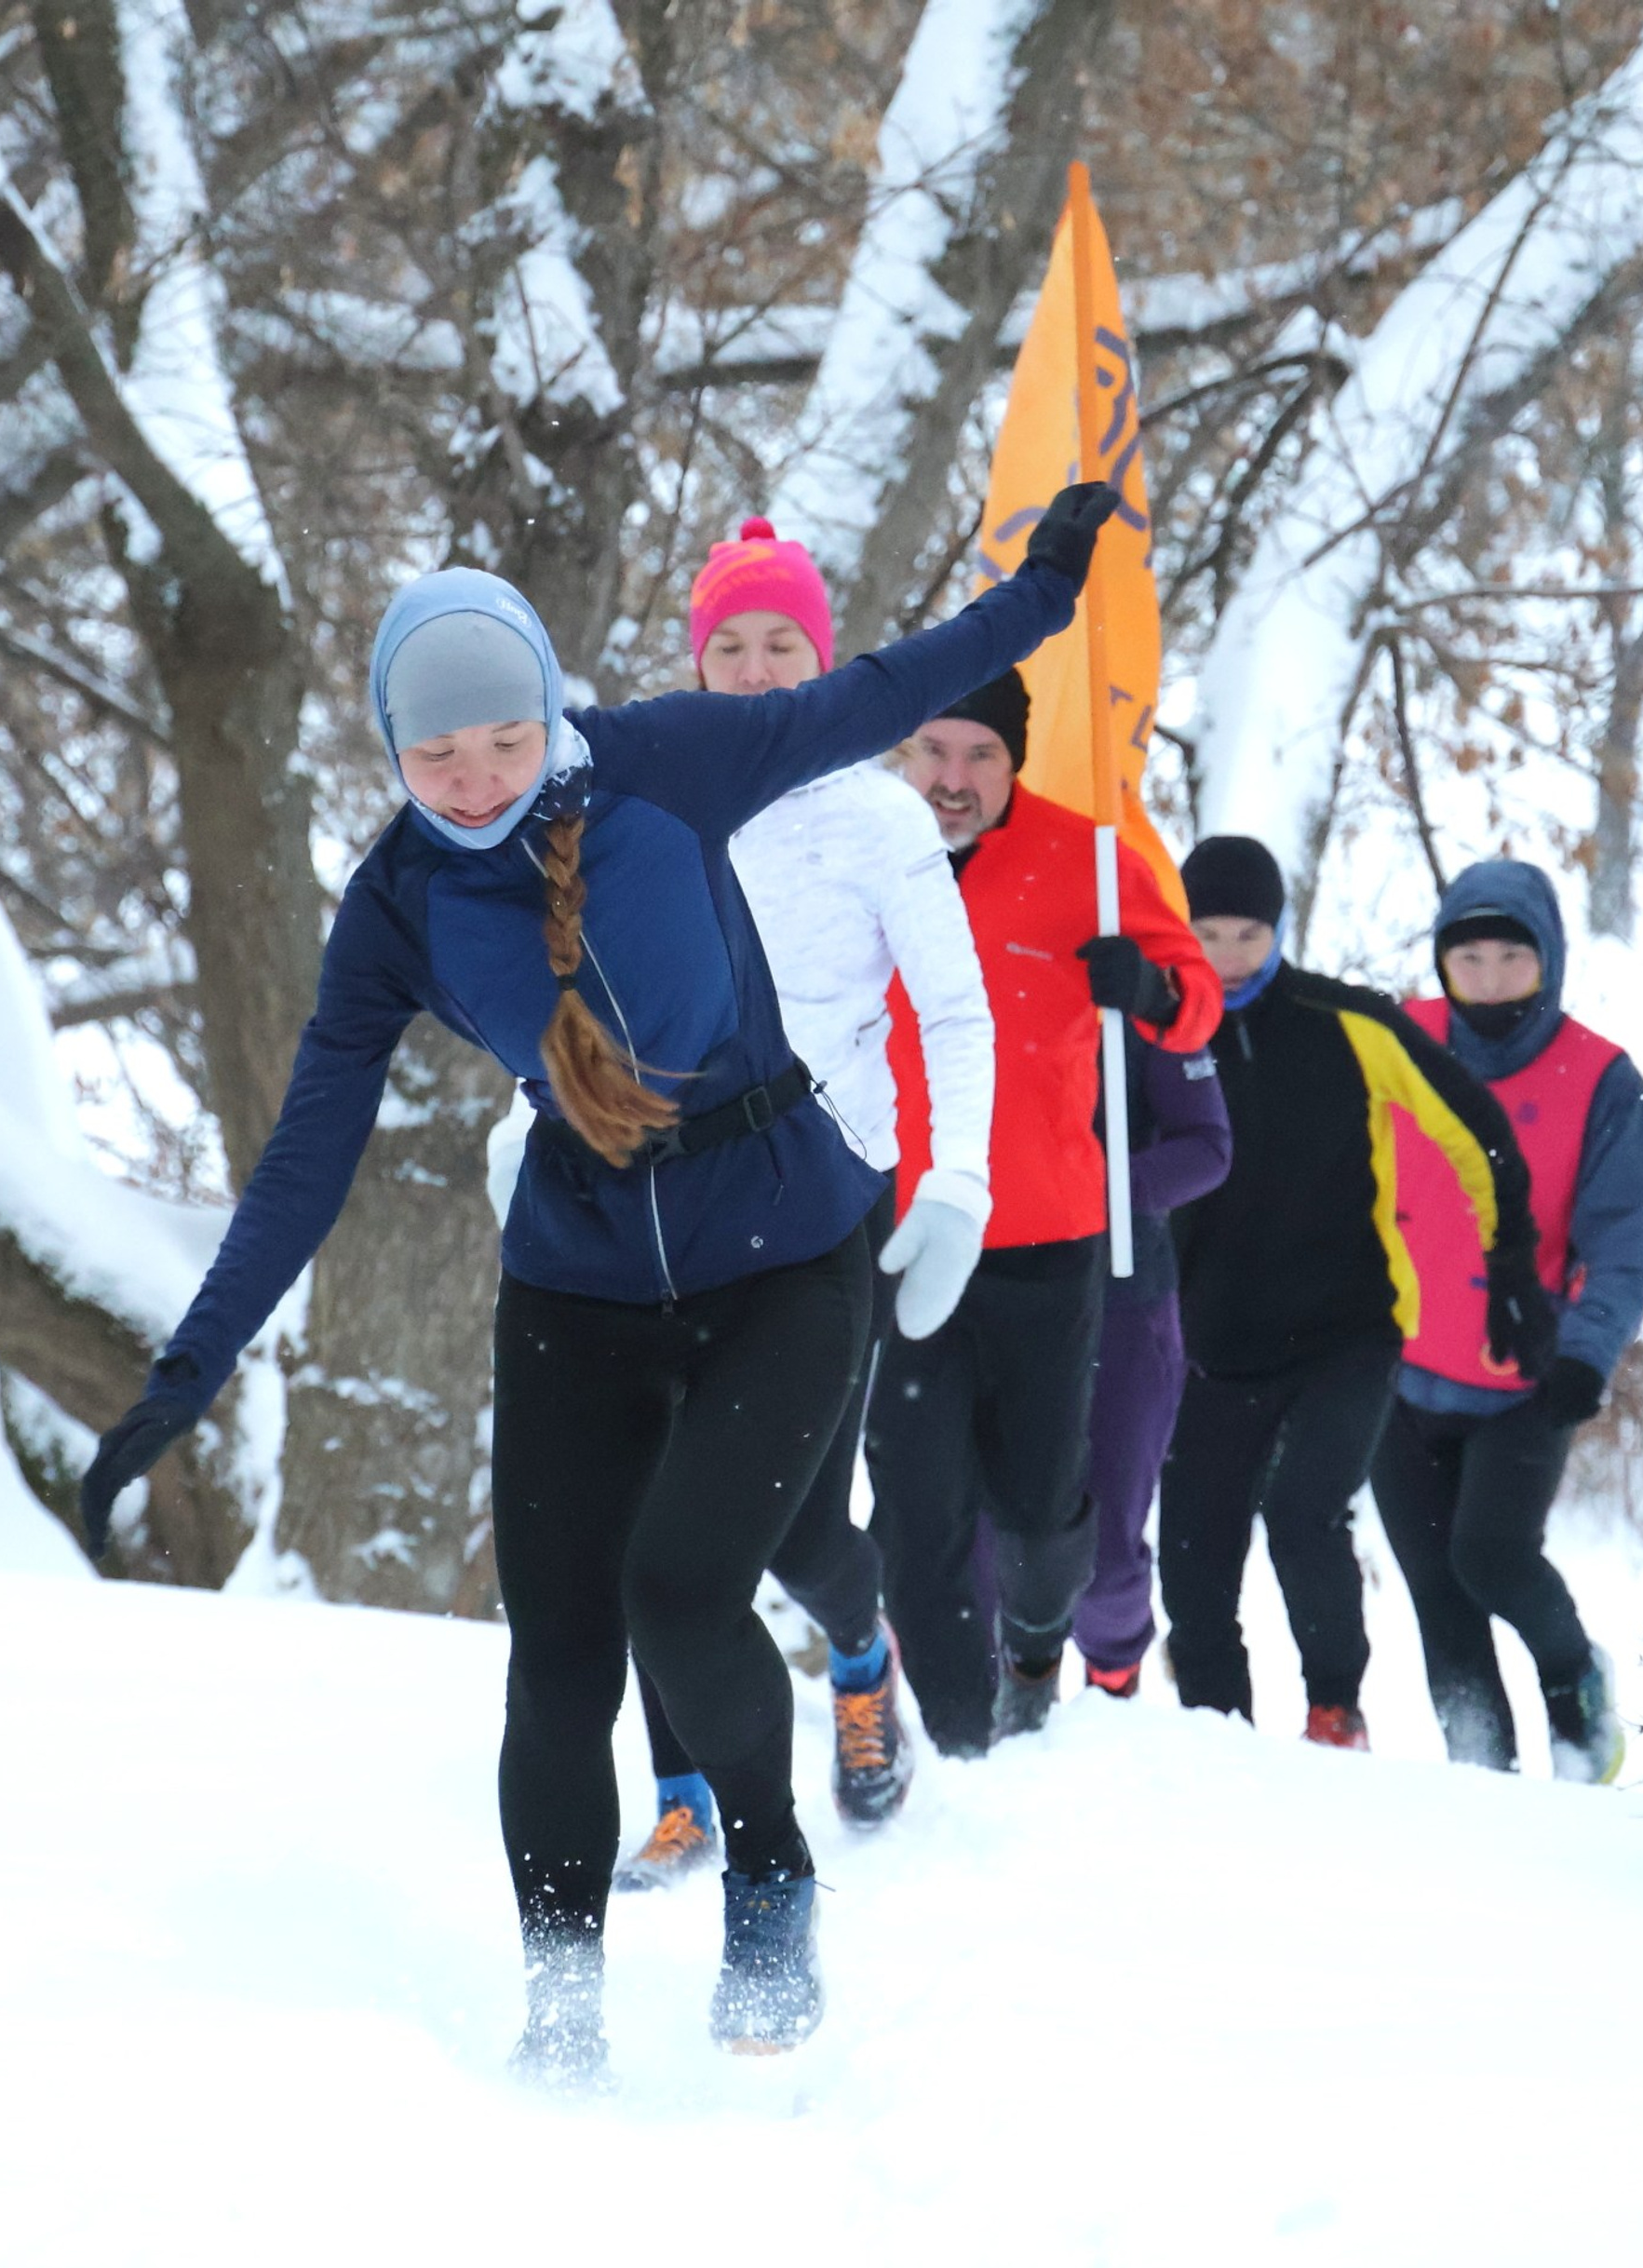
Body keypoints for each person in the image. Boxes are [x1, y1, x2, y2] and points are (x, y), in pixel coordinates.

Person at [75, 484, 1120, 2085]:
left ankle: (769, 1874)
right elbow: (304, 1160)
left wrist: (1046, 585)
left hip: (784, 1250)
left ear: (545, 704)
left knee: (683, 1591)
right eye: (435, 758)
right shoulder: (399, 905)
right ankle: (560, 2003)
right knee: (558, 1662)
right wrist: (185, 1373)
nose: (474, 779)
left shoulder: (672, 762)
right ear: (393, 755)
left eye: (498, 740)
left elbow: (896, 684)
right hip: (574, 1286)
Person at [600, 519, 994, 1886]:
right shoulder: (643, 812)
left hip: (824, 1210)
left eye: (784, 646)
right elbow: (577, 1002)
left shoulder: (880, 819)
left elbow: (954, 1009)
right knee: (657, 1510)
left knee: (808, 1526)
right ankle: (683, 1789)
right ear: (695, 662)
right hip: (658, 1200)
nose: (759, 671)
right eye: (731, 647)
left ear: (822, 659)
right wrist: (515, 1133)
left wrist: (959, 1183)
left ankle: (860, 1652)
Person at [869, 672, 1223, 1755]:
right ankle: (956, 1727)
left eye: (979, 755)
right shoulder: (866, 845)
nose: (953, 779)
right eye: (933, 750)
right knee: (916, 1505)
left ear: (1013, 761)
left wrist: (1154, 994)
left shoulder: (1091, 862)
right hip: (901, 1230)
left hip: (1044, 1234)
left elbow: (1194, 993)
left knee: (1038, 1502)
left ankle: (1033, 1649)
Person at [1160, 835, 1556, 1748]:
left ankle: (1334, 1707)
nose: (1226, 958)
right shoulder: (1157, 1028)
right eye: (1206, 934)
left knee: (1302, 1512)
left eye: (1248, 935)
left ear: (1280, 929)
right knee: (1191, 1553)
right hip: (1210, 1344)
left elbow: (1477, 1130)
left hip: (1348, 1332)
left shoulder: (1352, 1023)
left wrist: (1509, 1269)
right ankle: (1216, 1738)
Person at [1368, 860, 1643, 1781]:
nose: (1489, 981)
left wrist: (1584, 1354)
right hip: (1391, 1376)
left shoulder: (1601, 1080)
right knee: (1436, 1595)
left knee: (1490, 1559)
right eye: (1469, 959)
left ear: (1550, 963)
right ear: (1441, 963)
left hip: (1523, 1381)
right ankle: (1476, 1765)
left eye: (1511, 958)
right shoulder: (1392, 1039)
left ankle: (1577, 1695)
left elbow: (1618, 1242)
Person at [967, 1029, 1231, 1698]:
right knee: (984, 1533)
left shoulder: (1141, 989)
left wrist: (1096, 1186)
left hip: (1123, 1294)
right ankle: (1018, 1694)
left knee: (1107, 1552)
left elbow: (1208, 1147)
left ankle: (1114, 1675)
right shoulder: (959, 971)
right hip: (988, 1286)